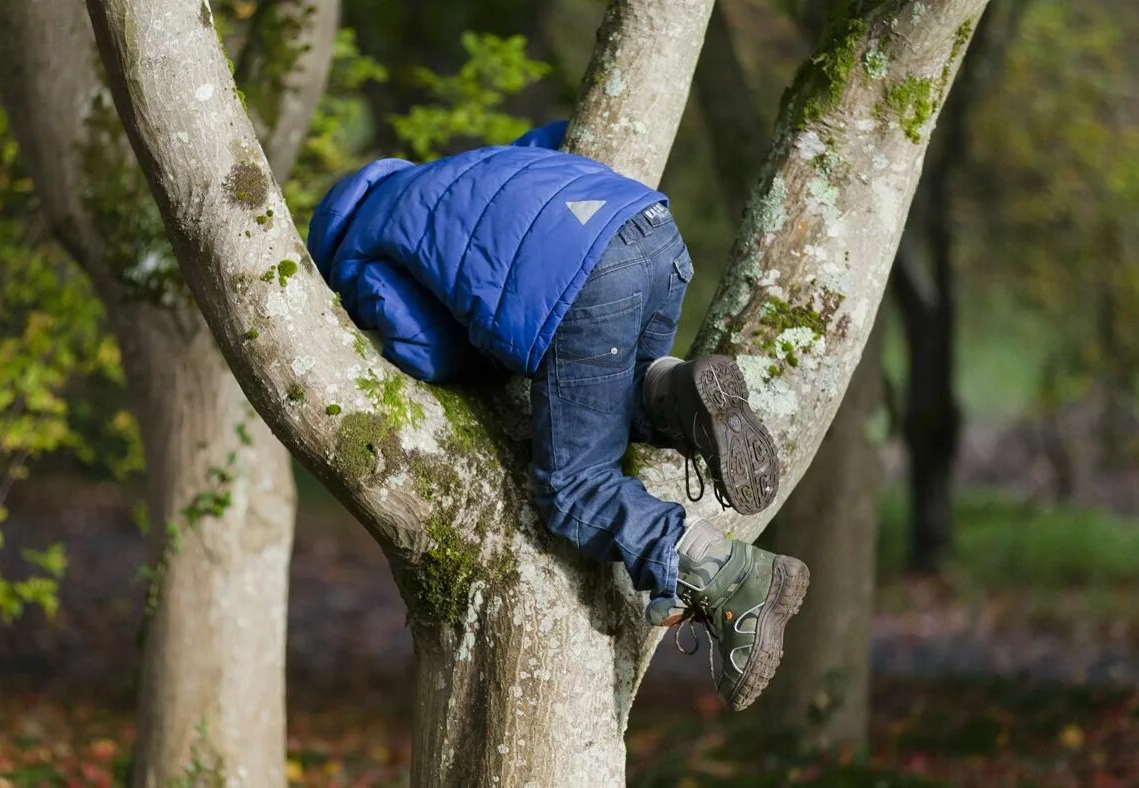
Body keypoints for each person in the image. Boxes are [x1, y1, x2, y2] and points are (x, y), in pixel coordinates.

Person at [306, 120, 809, 710]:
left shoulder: (359, 248)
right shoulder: (461, 168)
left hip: (586, 286)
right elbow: (554, 134)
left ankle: (727, 572)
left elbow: (427, 347)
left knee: (572, 488)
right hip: (648, 229)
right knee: (614, 392)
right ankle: (681, 393)